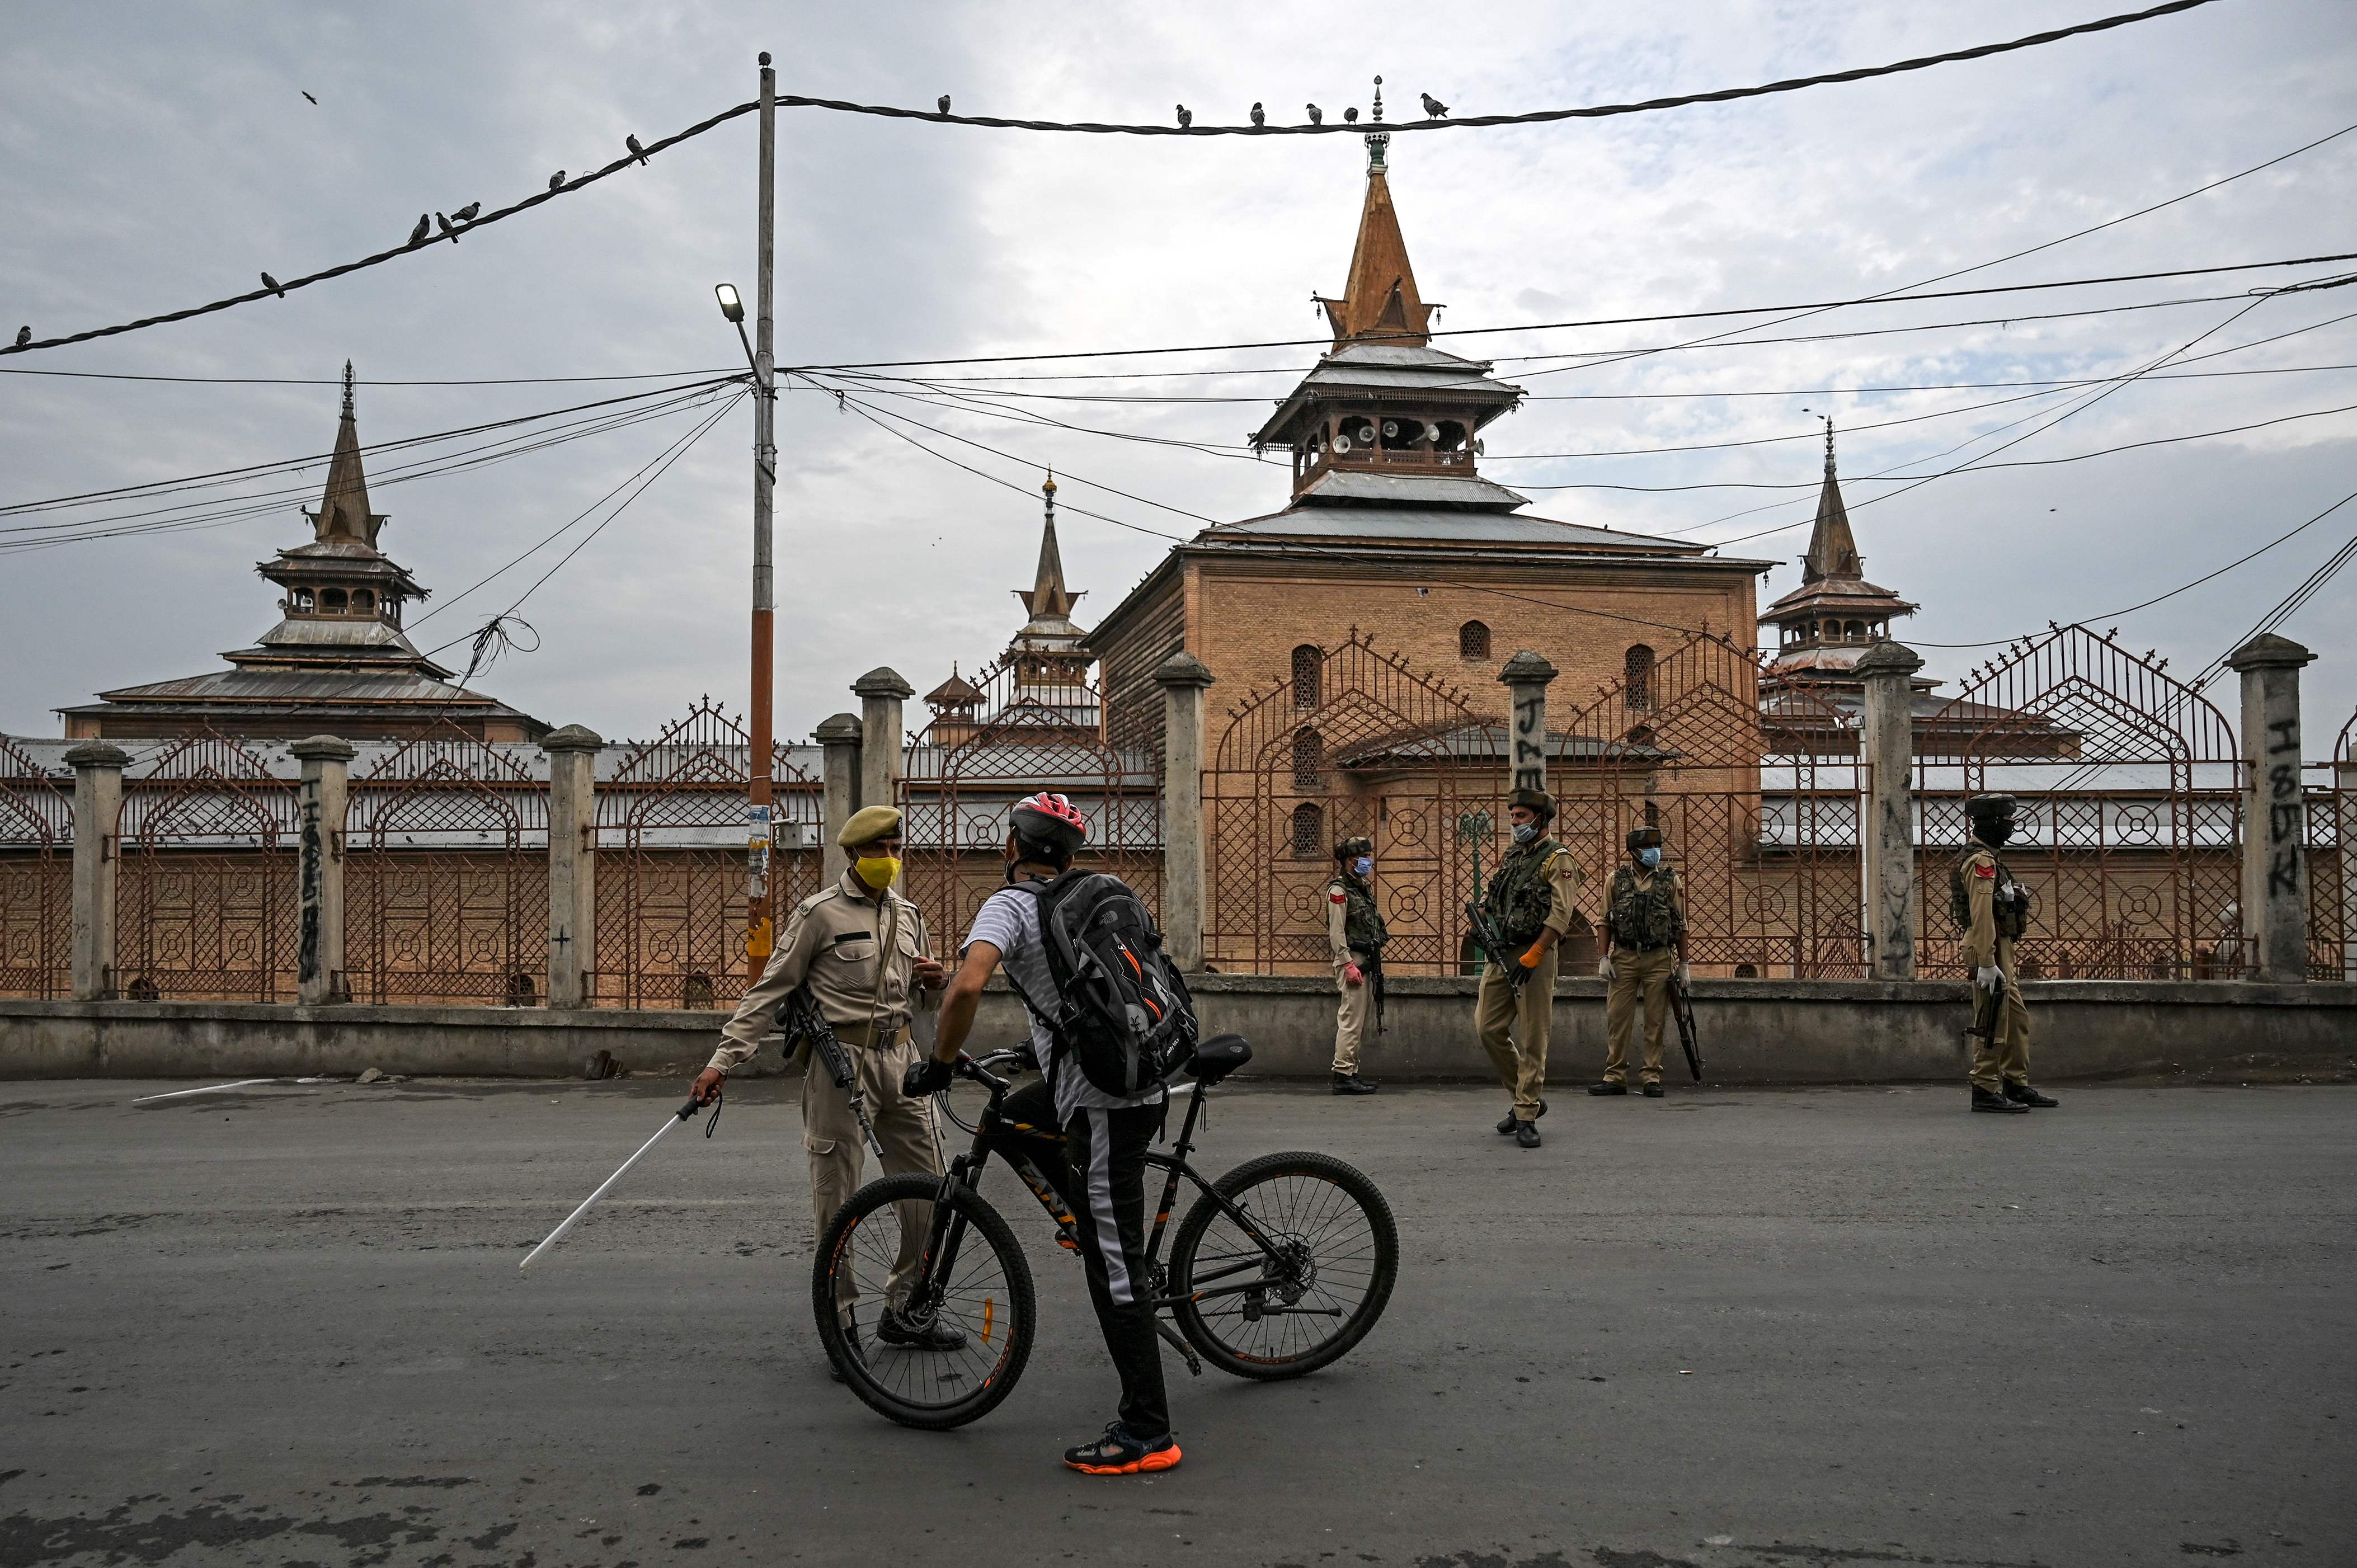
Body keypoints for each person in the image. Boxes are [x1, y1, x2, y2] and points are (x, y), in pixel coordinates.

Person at [913, 790, 1182, 1476]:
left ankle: (1148, 1432)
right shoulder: (1105, 889)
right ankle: (1088, 1216)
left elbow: (966, 987)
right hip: (1139, 1074)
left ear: (1013, 847)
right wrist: (1041, 1047)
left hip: (1100, 1102)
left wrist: (941, 1063)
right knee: (1012, 1114)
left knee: (1114, 1269)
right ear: (1068, 854)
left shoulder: (1009, 904)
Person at [689, 804, 954, 1360]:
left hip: (901, 1060)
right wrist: (723, 1061)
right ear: (853, 853)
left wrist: (937, 982)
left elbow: (920, 997)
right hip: (841, 1066)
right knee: (837, 1204)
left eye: (894, 849)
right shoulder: (819, 914)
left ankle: (905, 1308)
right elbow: (767, 993)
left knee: (934, 1191)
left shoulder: (908, 914)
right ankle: (841, 1324)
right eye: (877, 850)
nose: (888, 860)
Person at [1475, 787, 1583, 1148]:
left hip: (1535, 955)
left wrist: (1536, 952)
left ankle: (1525, 1112)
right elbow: (1496, 899)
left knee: (1534, 1036)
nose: (1515, 822)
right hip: (1503, 952)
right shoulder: (1512, 856)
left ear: (1540, 819)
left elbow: (1562, 914)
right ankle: (1527, 1098)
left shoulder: (1559, 859)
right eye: (1513, 816)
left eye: (1521, 817)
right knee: (1488, 1027)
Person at [1954, 793, 2058, 1115]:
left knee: (2016, 1020)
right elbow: (1981, 913)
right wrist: (1986, 961)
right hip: (1990, 947)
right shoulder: (1981, 861)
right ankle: (1985, 1088)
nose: (2012, 827)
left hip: (2001, 948)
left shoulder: (1992, 858)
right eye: (2008, 822)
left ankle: (2016, 1083)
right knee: (1992, 1020)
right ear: (1993, 823)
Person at [1591, 825, 1689, 1099]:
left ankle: (1651, 1077)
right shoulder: (1616, 880)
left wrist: (1684, 964)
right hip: (1624, 957)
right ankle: (1615, 1076)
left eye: (1656, 847)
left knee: (1655, 1020)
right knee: (1618, 1018)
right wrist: (1602, 958)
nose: (1654, 853)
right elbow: (1603, 921)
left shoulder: (1671, 881)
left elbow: (1681, 924)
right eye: (1647, 849)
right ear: (1633, 852)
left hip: (1658, 957)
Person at [1326, 835, 1384, 1096]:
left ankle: (1351, 1072)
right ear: (1351, 860)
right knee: (1351, 1020)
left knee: (1359, 1021)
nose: (1369, 861)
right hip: (1354, 961)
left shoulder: (1360, 886)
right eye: (1365, 857)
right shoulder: (1339, 891)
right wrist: (1348, 964)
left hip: (1366, 960)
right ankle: (1342, 1075)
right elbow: (1337, 932)